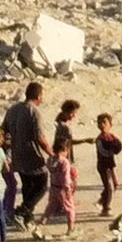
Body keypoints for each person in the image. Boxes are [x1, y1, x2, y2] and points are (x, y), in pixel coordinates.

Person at [0, 82, 52, 229]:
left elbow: (3, 130)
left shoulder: (13, 109)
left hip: (18, 156)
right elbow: (40, 137)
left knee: (27, 187)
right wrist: (51, 153)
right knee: (41, 185)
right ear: (38, 96)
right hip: (33, 156)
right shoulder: (34, 112)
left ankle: (27, 219)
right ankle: (22, 212)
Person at [47, 99, 81, 233]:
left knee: (58, 182)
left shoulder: (60, 122)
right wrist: (86, 140)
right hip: (65, 157)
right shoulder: (64, 126)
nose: (74, 116)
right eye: (73, 113)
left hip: (61, 155)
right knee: (69, 183)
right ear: (68, 112)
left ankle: (59, 205)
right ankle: (64, 205)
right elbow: (70, 142)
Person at [94, 114, 122, 218]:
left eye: (104, 122)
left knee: (114, 185)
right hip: (103, 166)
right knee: (109, 187)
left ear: (110, 124)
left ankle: (101, 200)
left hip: (110, 166)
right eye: (100, 123)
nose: (102, 125)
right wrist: (112, 150)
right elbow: (103, 152)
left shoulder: (112, 137)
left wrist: (117, 148)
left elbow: (118, 147)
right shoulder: (99, 139)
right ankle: (106, 208)